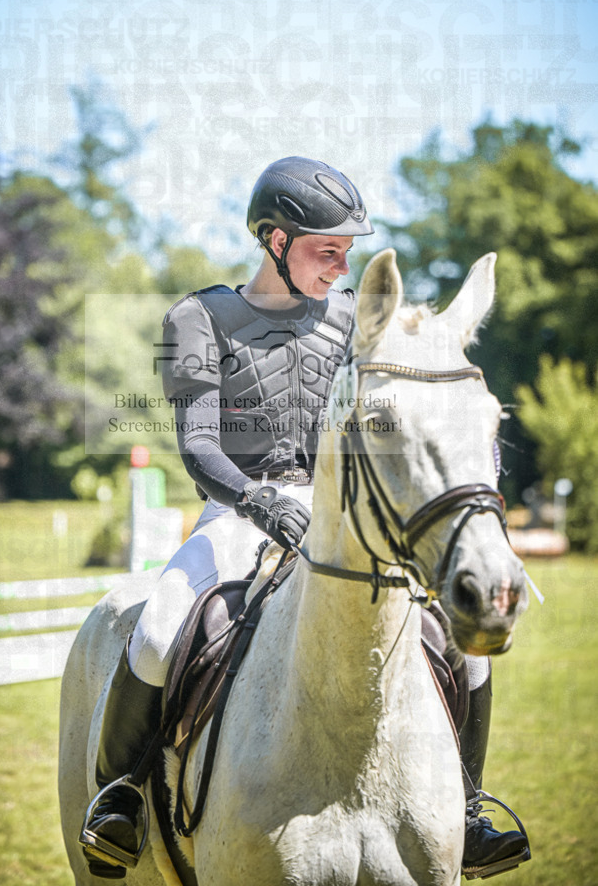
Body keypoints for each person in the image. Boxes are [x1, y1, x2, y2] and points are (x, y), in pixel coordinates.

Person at [80, 156, 528, 880]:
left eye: (348, 250)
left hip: (337, 512)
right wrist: (258, 501)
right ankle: (121, 796)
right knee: (162, 621)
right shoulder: (194, 317)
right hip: (235, 510)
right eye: (328, 249)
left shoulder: (357, 317)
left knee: (460, 645)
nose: (340, 263)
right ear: (276, 241)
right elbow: (195, 445)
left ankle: (468, 808)